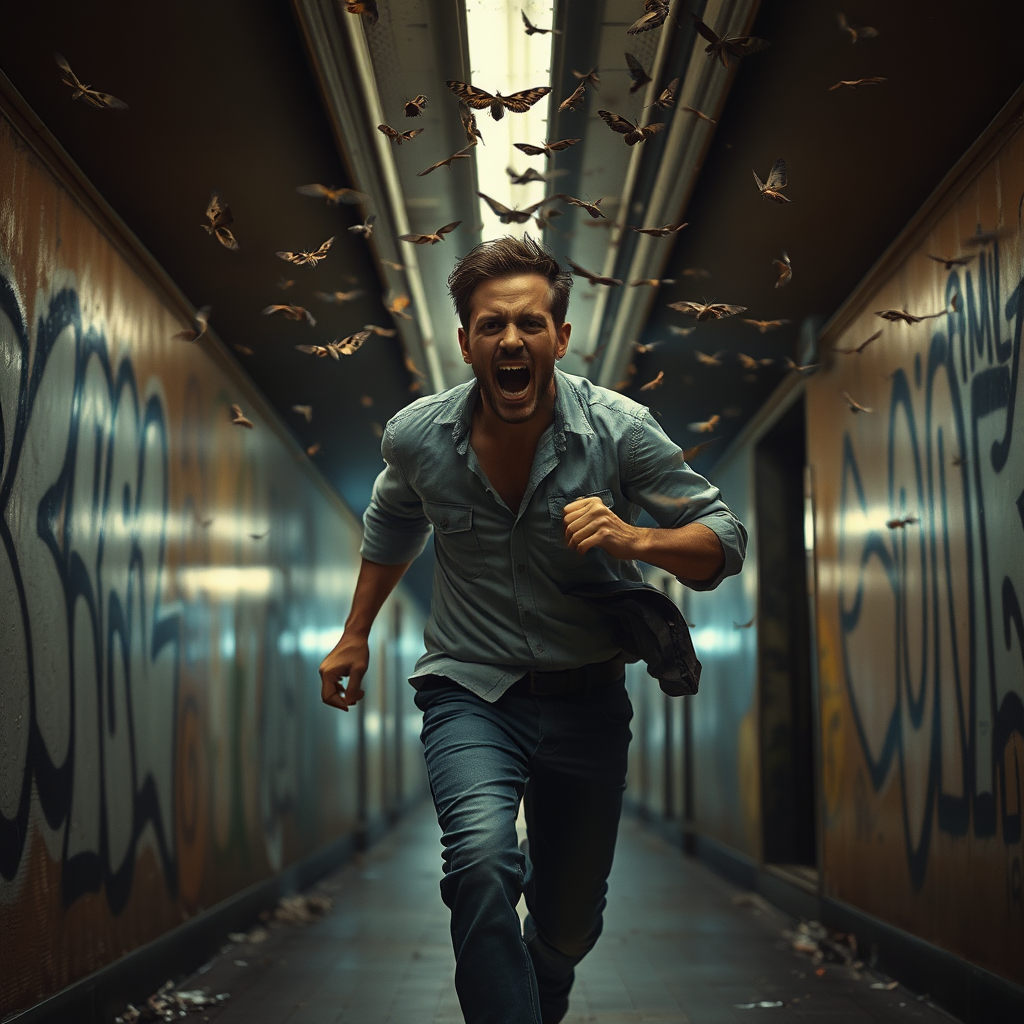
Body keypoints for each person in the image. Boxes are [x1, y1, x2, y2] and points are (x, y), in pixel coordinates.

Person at [319, 235, 746, 1024]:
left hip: (587, 700)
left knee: (569, 925)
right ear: (465, 342)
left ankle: (547, 978)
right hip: (468, 691)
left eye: (528, 324)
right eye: (490, 326)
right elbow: (391, 524)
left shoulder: (619, 429)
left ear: (559, 337)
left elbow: (724, 542)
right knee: (480, 862)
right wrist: (355, 633)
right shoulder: (418, 437)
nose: (510, 340)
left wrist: (634, 538)